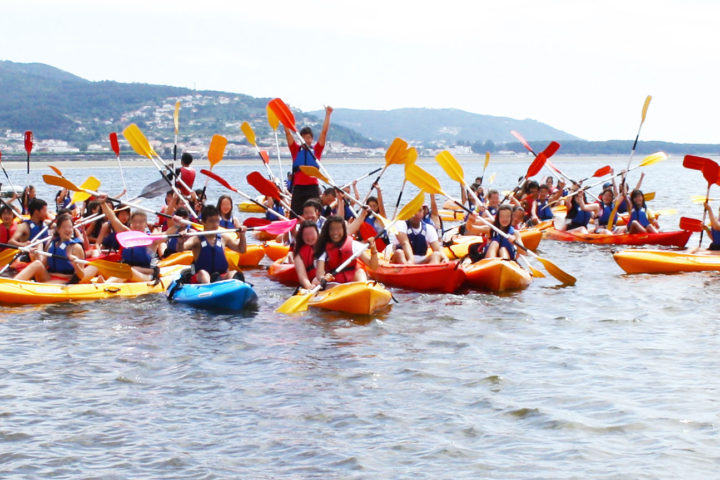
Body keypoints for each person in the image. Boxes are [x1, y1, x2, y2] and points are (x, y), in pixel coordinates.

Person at [284, 105, 333, 218]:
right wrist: (286, 114)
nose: (307, 140)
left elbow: (324, 133)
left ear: (312, 139)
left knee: (315, 213)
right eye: (305, 137)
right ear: (301, 138)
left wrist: (328, 114)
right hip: (299, 187)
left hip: (312, 187)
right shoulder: (295, 150)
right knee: (295, 215)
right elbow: (287, 132)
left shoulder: (316, 150)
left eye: (309, 137)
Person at [179, 205, 247, 284]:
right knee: (204, 274)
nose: (215, 224)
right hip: (201, 277)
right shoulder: (196, 239)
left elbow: (242, 250)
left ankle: (220, 282)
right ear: (203, 222)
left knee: (234, 273)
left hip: (220, 276)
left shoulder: (224, 238)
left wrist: (242, 235)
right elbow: (181, 248)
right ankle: (209, 289)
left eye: (217, 221)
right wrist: (181, 241)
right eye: (211, 221)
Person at [14, 214, 87, 284]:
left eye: (70, 227)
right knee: (37, 263)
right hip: (49, 277)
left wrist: (76, 265)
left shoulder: (76, 247)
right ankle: (13, 283)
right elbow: (43, 265)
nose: (68, 230)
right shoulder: (52, 244)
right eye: (64, 227)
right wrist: (33, 256)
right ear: (58, 229)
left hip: (65, 280)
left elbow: (82, 276)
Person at [314, 215, 378, 284]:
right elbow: (319, 274)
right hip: (333, 281)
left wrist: (373, 249)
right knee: (317, 281)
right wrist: (323, 278)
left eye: (338, 229)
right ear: (327, 231)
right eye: (332, 229)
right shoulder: (324, 248)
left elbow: (373, 266)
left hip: (352, 278)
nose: (335, 232)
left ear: (343, 230)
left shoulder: (353, 245)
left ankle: (363, 288)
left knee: (360, 271)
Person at [293, 220, 319, 289]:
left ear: (317, 233)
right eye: (306, 234)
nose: (309, 237)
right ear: (302, 237)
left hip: (329, 280)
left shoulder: (326, 247)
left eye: (312, 233)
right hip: (313, 284)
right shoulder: (298, 254)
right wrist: (309, 287)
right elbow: (303, 276)